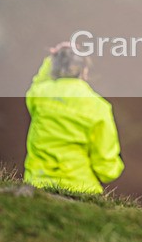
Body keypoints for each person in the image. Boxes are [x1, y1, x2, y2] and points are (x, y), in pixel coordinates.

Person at [24, 42, 124, 194]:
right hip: (82, 189)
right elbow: (107, 170)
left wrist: (50, 59)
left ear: (54, 67)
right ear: (84, 70)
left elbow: (37, 83)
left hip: (37, 182)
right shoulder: (98, 106)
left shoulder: (39, 94)